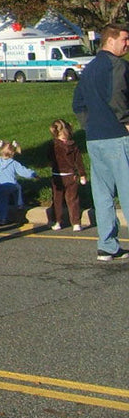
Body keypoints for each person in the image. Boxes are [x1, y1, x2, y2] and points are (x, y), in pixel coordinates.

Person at [71, 22, 129, 261]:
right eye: (125, 39)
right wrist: (125, 120)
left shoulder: (90, 68)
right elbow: (117, 96)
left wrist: (90, 125)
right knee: (126, 190)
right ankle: (108, 245)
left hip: (95, 138)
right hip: (118, 137)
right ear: (110, 39)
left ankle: (107, 244)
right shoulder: (117, 66)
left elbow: (78, 103)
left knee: (103, 193)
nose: (127, 44)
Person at [47, 118, 87, 231]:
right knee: (72, 200)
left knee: (57, 200)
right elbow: (78, 161)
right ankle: (75, 223)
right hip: (70, 175)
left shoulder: (53, 145)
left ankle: (58, 221)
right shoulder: (73, 145)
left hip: (58, 175)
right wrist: (82, 174)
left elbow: (50, 159)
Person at [0, 139, 35, 225]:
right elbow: (23, 172)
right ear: (13, 153)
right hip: (12, 185)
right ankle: (19, 204)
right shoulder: (14, 163)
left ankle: (2, 219)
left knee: (2, 202)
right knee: (18, 188)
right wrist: (33, 174)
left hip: (0, 186)